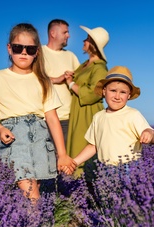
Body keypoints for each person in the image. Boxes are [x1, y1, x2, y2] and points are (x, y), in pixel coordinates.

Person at [0, 23, 76, 202]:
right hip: (14, 137)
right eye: (18, 47)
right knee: (31, 192)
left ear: (37, 52)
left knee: (35, 187)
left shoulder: (44, 81)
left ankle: (33, 226)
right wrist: (0, 129)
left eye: (29, 49)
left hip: (41, 137)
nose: (24, 53)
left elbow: (52, 118)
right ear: (9, 48)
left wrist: (62, 154)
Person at [63, 65, 154, 174]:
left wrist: (149, 133)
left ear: (129, 95)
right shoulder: (98, 117)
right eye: (113, 90)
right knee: (106, 191)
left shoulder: (132, 114)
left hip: (129, 168)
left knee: (127, 191)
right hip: (104, 168)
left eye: (123, 92)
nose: (117, 96)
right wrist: (75, 162)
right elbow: (93, 145)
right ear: (104, 92)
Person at [65, 25, 109, 177]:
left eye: (87, 39)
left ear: (93, 45)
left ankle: (82, 188)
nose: (84, 41)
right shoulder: (84, 65)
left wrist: (71, 83)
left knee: (83, 148)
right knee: (74, 148)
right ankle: (73, 188)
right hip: (78, 111)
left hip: (88, 113)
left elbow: (94, 93)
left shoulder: (100, 67)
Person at [42, 19, 80, 144]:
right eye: (65, 32)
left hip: (66, 119)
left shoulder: (71, 56)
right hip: (42, 119)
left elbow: (79, 82)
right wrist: (56, 79)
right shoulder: (38, 53)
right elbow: (30, 80)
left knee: (63, 161)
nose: (68, 36)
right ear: (53, 33)